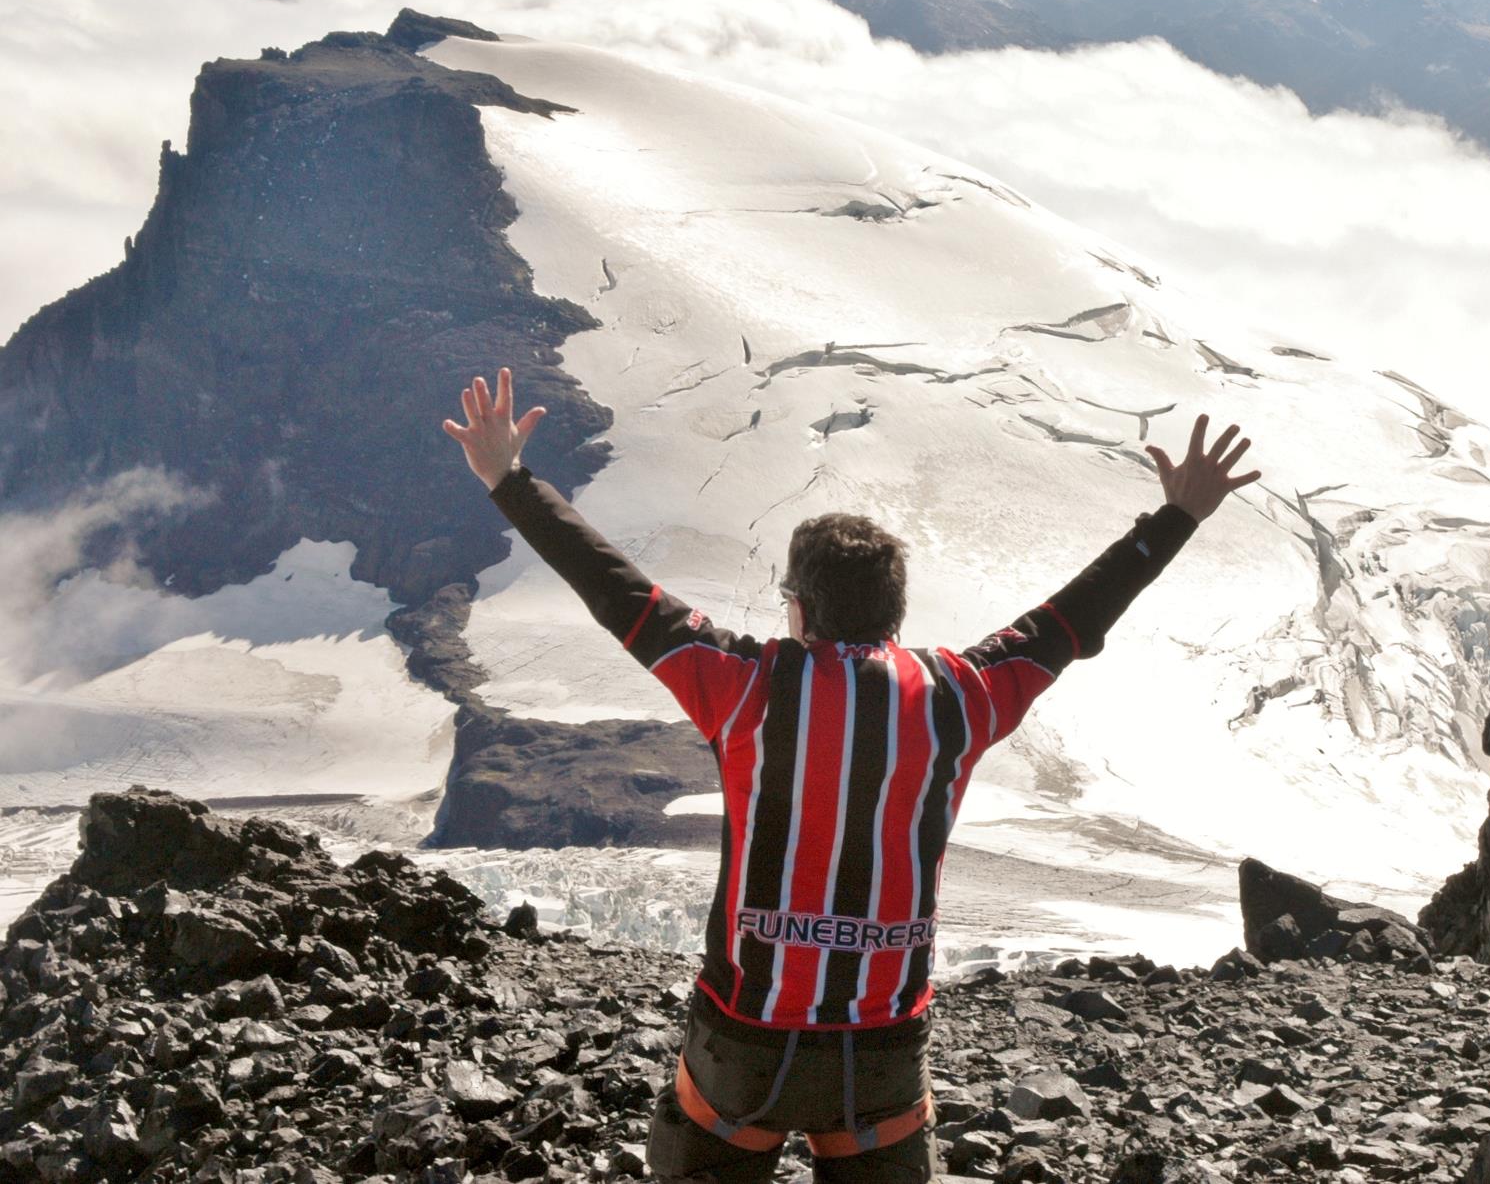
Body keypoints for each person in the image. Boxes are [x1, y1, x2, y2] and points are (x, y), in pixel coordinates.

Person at [443, 367, 1258, 1183]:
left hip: (745, 1037)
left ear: (798, 605)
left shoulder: (745, 685)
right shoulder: (960, 696)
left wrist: (509, 481)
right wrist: (1178, 515)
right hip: (882, 1047)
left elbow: (616, 589)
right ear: (897, 611)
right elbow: (1075, 616)